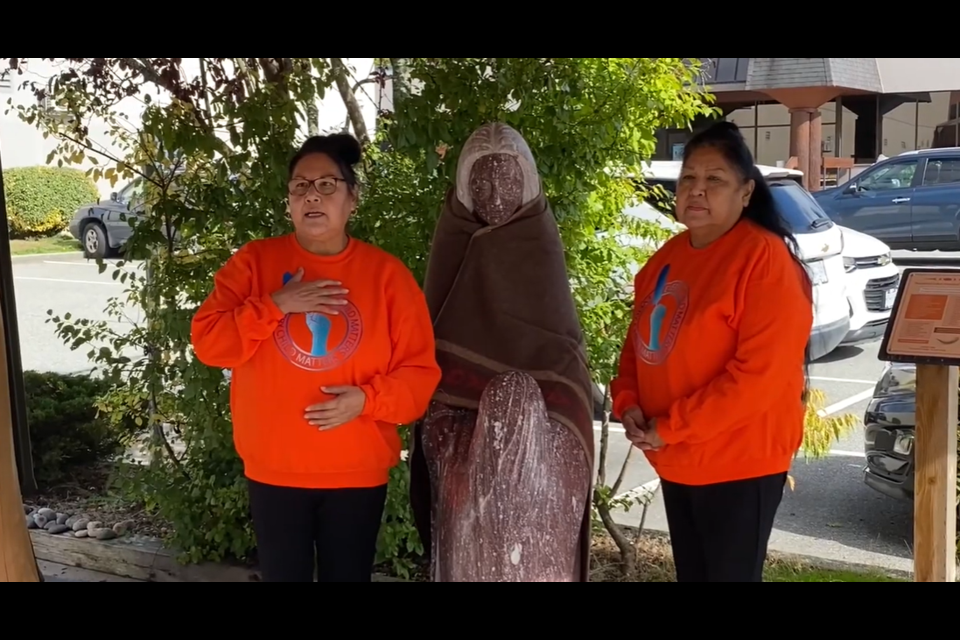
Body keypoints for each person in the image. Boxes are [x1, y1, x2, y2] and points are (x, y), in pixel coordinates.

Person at [191, 134, 442, 583]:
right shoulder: (254, 264)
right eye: (299, 186)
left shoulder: (387, 276)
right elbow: (210, 345)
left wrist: (365, 401)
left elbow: (419, 377)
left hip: (355, 472)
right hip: (275, 470)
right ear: (288, 200)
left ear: (353, 198)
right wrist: (276, 305)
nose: (311, 194)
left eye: (327, 184)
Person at [610, 121, 813, 583]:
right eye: (688, 178)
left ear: (745, 193)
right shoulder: (666, 257)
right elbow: (638, 347)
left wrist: (671, 427)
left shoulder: (764, 259)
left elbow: (758, 377)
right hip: (676, 455)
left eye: (714, 180)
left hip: (739, 461)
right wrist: (630, 406)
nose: (697, 191)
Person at [409, 122, 594, 582]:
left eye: (508, 180)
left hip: (548, 408)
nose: (494, 196)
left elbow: (560, 345)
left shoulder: (538, 238)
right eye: (483, 183)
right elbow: (433, 337)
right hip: (454, 409)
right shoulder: (453, 233)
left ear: (526, 181)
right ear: (466, 186)